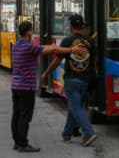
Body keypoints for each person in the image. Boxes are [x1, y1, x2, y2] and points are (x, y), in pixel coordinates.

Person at [11, 21, 84, 152]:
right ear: (29, 32)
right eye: (32, 30)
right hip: (26, 87)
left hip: (15, 86)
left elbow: (46, 47)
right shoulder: (29, 47)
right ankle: (23, 143)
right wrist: (71, 49)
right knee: (25, 116)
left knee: (16, 114)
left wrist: (51, 45)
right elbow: (53, 50)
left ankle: (17, 142)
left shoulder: (16, 45)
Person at [41, 15, 97, 146]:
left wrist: (45, 73)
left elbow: (57, 60)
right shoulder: (90, 42)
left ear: (71, 26)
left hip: (71, 79)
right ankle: (66, 134)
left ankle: (88, 132)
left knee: (75, 106)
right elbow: (94, 61)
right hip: (85, 80)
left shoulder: (67, 41)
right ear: (82, 26)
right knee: (74, 106)